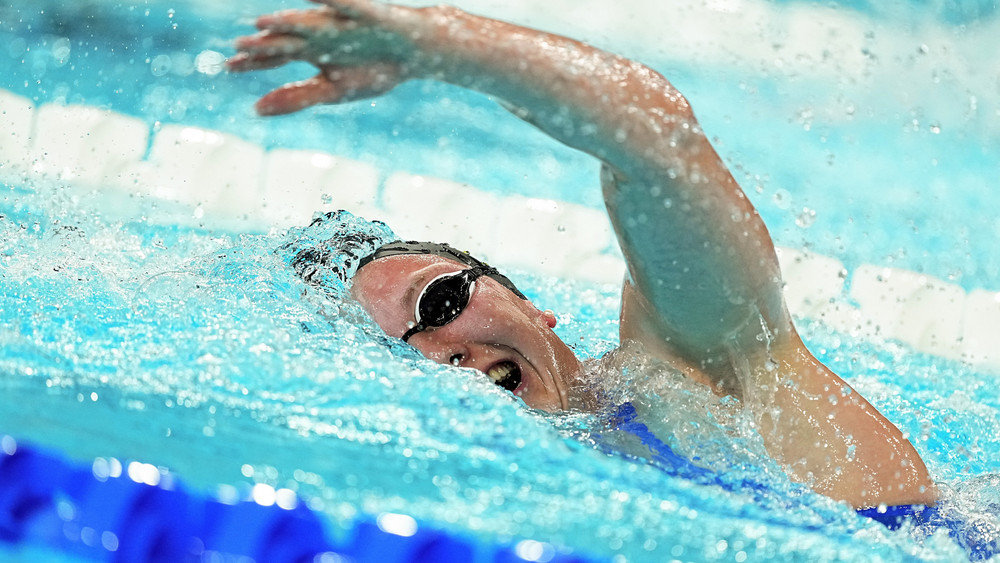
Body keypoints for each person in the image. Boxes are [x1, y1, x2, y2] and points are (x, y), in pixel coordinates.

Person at [228, 0, 938, 513]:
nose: (439, 355)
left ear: (532, 304)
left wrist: (439, 47)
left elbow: (657, 140)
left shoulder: (695, 366)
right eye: (400, 357)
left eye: (437, 302)